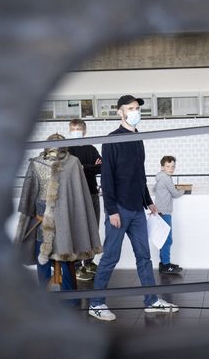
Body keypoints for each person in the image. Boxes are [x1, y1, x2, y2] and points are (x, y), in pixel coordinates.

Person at [89, 95, 179, 321]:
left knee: (144, 257)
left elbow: (139, 176)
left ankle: (151, 301)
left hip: (138, 210)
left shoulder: (139, 138)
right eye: (130, 108)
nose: (135, 111)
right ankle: (96, 303)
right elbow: (107, 178)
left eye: (137, 108)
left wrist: (148, 201)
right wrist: (111, 210)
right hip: (119, 209)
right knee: (110, 257)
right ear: (120, 112)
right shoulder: (112, 140)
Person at [14, 134, 102, 303]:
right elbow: (28, 195)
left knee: (66, 258)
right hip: (42, 220)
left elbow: (79, 194)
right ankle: (44, 298)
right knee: (44, 259)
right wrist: (30, 216)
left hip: (65, 220)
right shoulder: (36, 164)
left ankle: (71, 298)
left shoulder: (73, 163)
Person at [67, 118, 102, 281]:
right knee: (78, 230)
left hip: (93, 193)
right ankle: (75, 266)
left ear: (84, 131)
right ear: (69, 130)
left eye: (79, 128)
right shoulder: (66, 149)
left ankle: (88, 262)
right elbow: (71, 169)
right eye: (73, 128)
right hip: (76, 195)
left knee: (93, 228)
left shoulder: (91, 148)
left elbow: (101, 167)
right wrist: (90, 167)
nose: (76, 131)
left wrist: (83, 167)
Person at [154, 156, 185, 274]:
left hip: (160, 211)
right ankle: (166, 265)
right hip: (164, 212)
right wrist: (183, 190)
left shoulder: (160, 177)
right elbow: (175, 194)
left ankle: (164, 263)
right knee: (167, 239)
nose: (171, 169)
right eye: (168, 166)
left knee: (164, 239)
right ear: (162, 167)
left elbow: (155, 189)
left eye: (173, 166)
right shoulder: (166, 179)